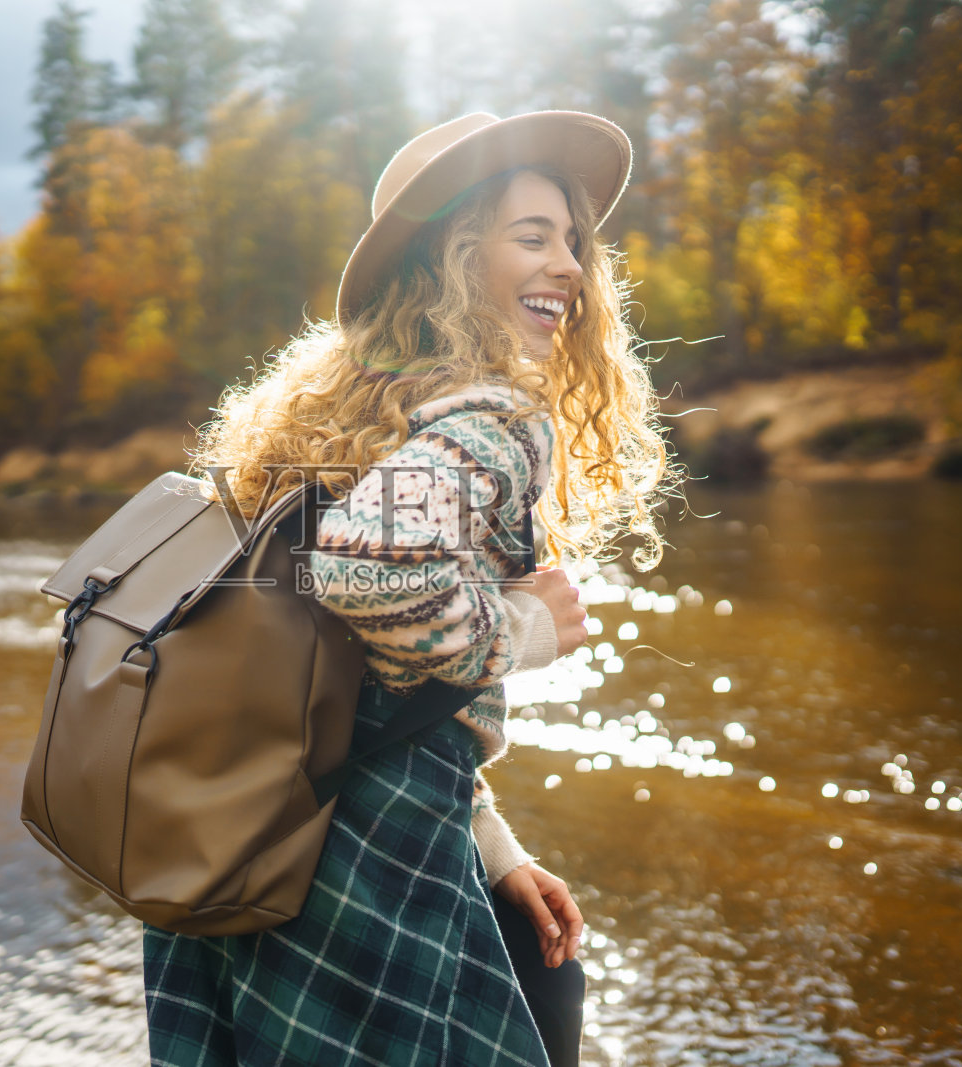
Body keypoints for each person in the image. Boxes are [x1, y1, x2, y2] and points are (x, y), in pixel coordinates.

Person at [143, 111, 669, 1066]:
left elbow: (337, 672)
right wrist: (524, 631)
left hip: (246, 835)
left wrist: (495, 849)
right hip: (366, 869)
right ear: (453, 255)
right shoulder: (490, 418)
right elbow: (371, 569)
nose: (571, 268)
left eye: (573, 241)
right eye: (531, 237)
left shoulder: (333, 410)